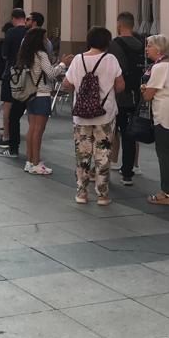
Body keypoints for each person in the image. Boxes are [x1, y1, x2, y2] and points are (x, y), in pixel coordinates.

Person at [61, 27, 124, 206]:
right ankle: (102, 195)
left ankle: (82, 193)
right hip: (105, 115)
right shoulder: (110, 59)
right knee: (103, 155)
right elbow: (120, 86)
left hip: (81, 116)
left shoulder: (78, 59)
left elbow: (67, 84)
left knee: (82, 154)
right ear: (107, 42)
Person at [142, 34, 169, 206]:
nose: (146, 49)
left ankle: (166, 192)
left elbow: (148, 96)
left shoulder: (159, 67)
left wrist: (143, 89)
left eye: (149, 46)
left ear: (158, 48)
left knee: (163, 153)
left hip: (164, 115)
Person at [18, 26, 69, 175]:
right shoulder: (41, 54)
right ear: (39, 39)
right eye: (45, 37)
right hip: (42, 95)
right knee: (38, 131)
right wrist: (63, 64)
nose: (47, 40)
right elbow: (51, 73)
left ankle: (29, 161)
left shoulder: (26, 54)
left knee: (32, 129)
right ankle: (36, 163)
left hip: (31, 95)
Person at [108, 11, 145, 186]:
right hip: (137, 95)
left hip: (119, 95)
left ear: (119, 25)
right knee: (130, 133)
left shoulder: (115, 44)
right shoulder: (142, 44)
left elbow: (113, 70)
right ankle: (128, 172)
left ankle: (109, 163)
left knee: (114, 131)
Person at [0, 8, 29, 157]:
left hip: (12, 74)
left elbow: (4, 54)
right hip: (28, 76)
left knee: (9, 107)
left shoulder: (11, 33)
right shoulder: (30, 33)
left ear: (13, 18)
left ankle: (7, 136)